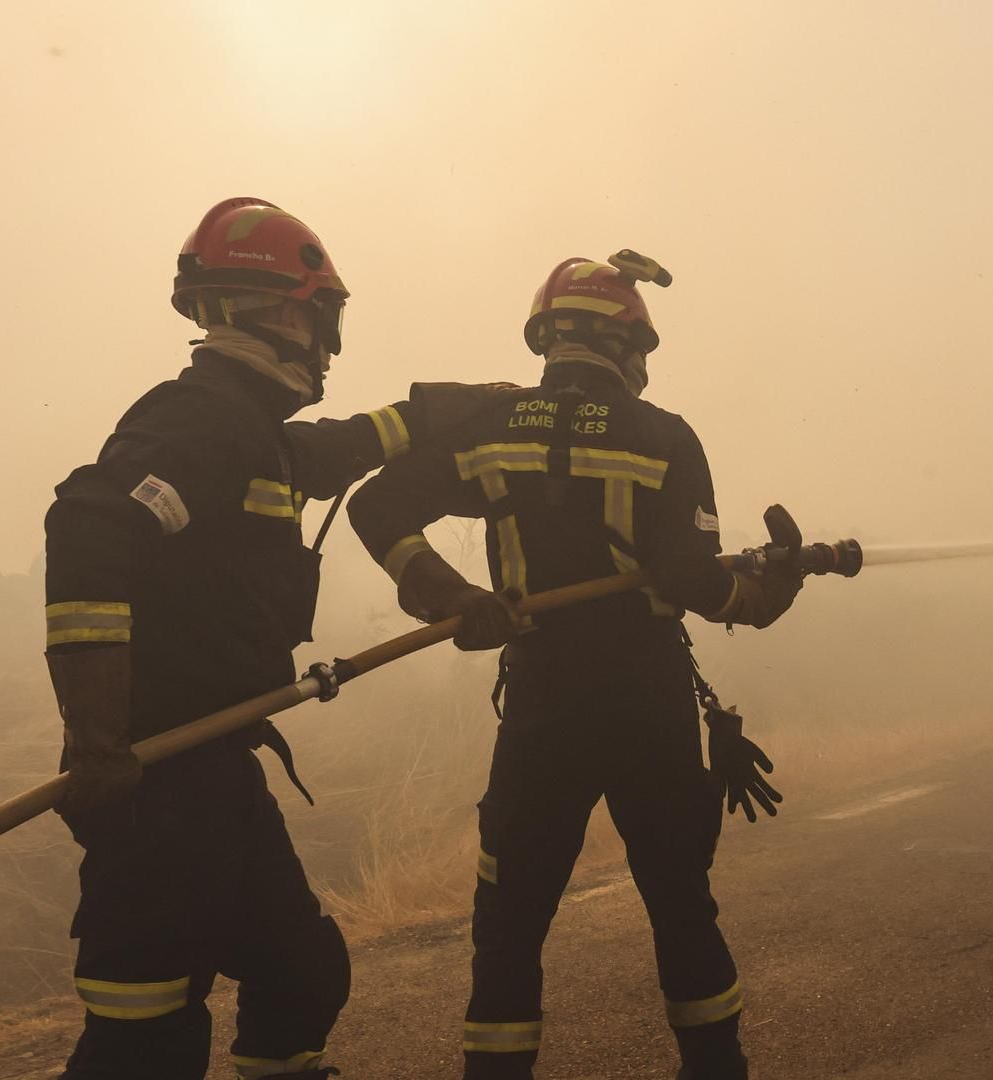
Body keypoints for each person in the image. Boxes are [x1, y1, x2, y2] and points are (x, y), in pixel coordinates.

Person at [347, 251, 801, 1080]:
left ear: (548, 339)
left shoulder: (490, 427)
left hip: (542, 707)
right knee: (679, 907)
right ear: (627, 344)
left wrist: (449, 594)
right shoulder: (663, 435)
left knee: (510, 924)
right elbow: (695, 582)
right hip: (647, 705)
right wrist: (774, 589)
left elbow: (376, 503)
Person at [43, 196, 426, 1080]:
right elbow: (90, 526)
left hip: (218, 773)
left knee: (300, 974)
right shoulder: (201, 417)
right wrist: (98, 738)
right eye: (325, 318)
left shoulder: (252, 430)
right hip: (159, 790)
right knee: (146, 1039)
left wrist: (456, 411)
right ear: (285, 310)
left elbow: (329, 452)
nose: (329, 346)